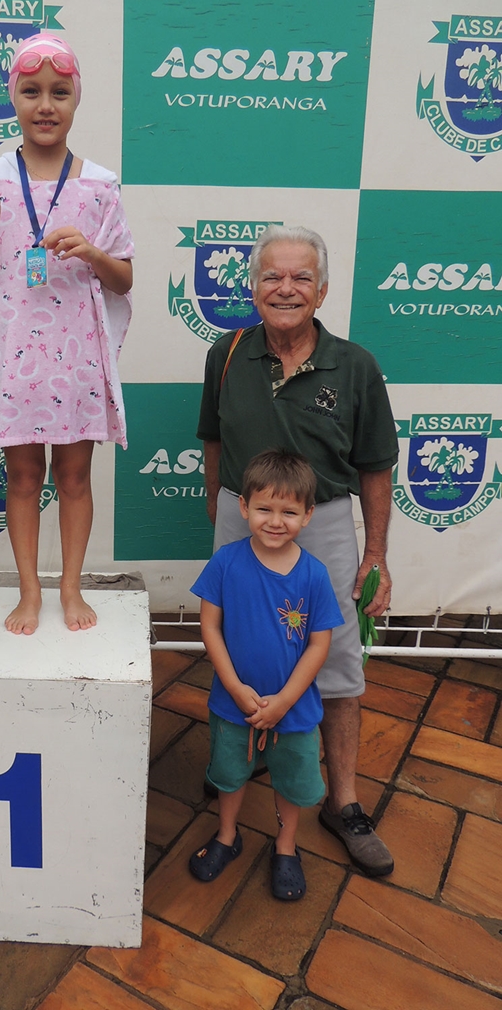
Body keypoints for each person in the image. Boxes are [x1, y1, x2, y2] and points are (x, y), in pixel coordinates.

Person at [197, 224, 399, 878]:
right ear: (253, 287)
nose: (286, 289)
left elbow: (375, 465)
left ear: (323, 290)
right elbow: (213, 441)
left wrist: (375, 554)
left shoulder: (356, 365)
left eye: (301, 277)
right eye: (272, 277)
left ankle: (343, 803)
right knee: (242, 646)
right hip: (241, 517)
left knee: (334, 665)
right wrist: (221, 509)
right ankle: (244, 759)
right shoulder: (226, 353)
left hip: (326, 523)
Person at [0, 32, 134, 636]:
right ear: (13, 97)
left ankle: (71, 586)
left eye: (60, 92)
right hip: (14, 356)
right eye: (31, 91)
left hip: (77, 355)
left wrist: (92, 252)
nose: (45, 105)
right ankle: (30, 590)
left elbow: (124, 278)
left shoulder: (101, 185)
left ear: (77, 99)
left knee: (75, 477)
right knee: (23, 476)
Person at [189, 451, 343, 900]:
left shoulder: (314, 575)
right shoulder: (225, 563)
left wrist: (285, 700)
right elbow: (209, 627)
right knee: (229, 774)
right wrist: (235, 688)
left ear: (308, 515)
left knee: (291, 781)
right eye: (264, 509)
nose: (275, 522)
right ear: (244, 507)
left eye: (289, 512)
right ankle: (227, 835)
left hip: (293, 711)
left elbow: (319, 645)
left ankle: (286, 846)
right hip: (232, 704)